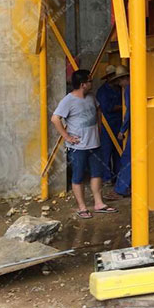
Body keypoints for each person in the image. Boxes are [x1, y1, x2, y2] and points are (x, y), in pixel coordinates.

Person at [51, 68, 117, 219]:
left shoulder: (91, 97)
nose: (92, 83)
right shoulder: (68, 100)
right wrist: (67, 137)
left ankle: (99, 203)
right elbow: (55, 119)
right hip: (78, 147)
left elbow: (98, 110)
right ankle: (82, 207)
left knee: (97, 174)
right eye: (90, 81)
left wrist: (98, 128)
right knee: (78, 176)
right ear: (83, 84)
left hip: (94, 144)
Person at [96, 64, 122, 185]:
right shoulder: (102, 91)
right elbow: (107, 107)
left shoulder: (120, 89)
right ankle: (107, 178)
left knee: (119, 152)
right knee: (106, 153)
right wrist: (124, 107)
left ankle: (118, 177)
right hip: (107, 126)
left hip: (119, 124)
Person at [113, 65, 131, 197]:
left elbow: (130, 111)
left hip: (136, 128)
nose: (119, 84)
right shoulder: (137, 86)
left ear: (125, 78)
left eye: (120, 80)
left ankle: (121, 188)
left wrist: (122, 130)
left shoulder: (129, 90)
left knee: (127, 158)